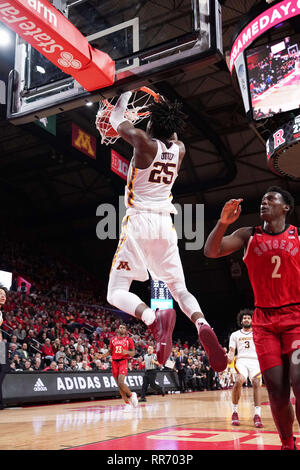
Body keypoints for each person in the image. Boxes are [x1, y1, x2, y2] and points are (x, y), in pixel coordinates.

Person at [103, 91, 227, 372]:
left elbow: (116, 118)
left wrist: (124, 94)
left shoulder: (143, 143)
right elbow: (169, 137)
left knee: (116, 292)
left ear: (150, 127)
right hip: (165, 226)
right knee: (179, 289)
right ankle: (201, 323)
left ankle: (151, 318)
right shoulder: (180, 149)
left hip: (139, 222)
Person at [204, 186, 300, 450]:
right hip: (265, 323)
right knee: (278, 394)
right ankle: (287, 444)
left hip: (296, 318)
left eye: (271, 199)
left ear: (286, 208)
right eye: (262, 200)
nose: (264, 203)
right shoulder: (248, 235)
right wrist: (223, 224)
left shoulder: (297, 236)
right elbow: (211, 251)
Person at [227, 309, 263, 428]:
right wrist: (229, 359)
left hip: (255, 361)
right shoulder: (235, 335)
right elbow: (231, 351)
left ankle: (257, 415)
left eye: (248, 318)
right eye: (244, 318)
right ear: (241, 321)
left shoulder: (258, 332)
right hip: (241, 360)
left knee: (256, 382)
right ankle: (234, 412)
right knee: (238, 381)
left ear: (252, 320)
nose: (246, 319)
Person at [99, 324, 138, 412]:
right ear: (118, 329)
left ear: (126, 331)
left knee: (121, 381)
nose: (121, 328)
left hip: (123, 361)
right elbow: (110, 351)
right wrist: (102, 355)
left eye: (123, 327)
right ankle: (127, 404)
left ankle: (131, 395)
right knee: (119, 385)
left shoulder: (129, 340)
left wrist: (126, 352)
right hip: (114, 362)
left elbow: (133, 352)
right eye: (120, 327)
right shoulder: (113, 339)